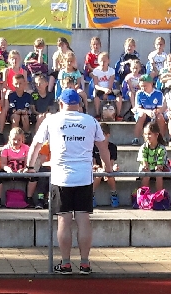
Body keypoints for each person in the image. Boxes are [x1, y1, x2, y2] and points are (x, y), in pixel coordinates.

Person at [27, 88, 110, 275]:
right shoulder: (90, 120)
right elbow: (103, 146)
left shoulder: (51, 119)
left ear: (61, 103)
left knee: (64, 220)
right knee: (83, 219)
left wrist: (30, 166)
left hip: (61, 177)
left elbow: (36, 144)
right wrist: (108, 167)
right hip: (83, 176)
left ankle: (65, 263)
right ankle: (85, 263)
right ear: (79, 104)